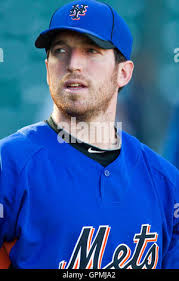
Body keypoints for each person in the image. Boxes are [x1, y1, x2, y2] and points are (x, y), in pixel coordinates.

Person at [0, 0, 179, 269]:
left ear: (123, 73)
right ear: (47, 67)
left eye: (91, 51)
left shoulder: (165, 182)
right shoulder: (9, 165)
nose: (73, 64)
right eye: (60, 50)